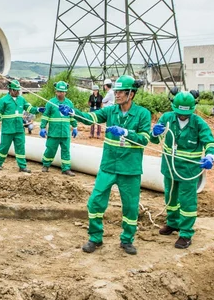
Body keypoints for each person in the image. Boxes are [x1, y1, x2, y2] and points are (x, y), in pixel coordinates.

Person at [59, 75, 151, 255]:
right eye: (115, 92)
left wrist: (126, 132)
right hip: (108, 166)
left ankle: (127, 240)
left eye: (120, 92)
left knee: (131, 207)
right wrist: (72, 112)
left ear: (131, 94)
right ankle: (95, 237)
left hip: (130, 169)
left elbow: (145, 139)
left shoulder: (142, 114)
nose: (116, 95)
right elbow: (90, 118)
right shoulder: (110, 111)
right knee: (95, 202)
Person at [150, 91, 214, 249]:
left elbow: (210, 142)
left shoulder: (198, 123)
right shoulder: (167, 118)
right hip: (169, 167)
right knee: (170, 198)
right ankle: (173, 223)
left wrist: (210, 156)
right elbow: (154, 139)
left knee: (187, 202)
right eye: (179, 113)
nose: (182, 116)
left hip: (189, 170)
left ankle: (186, 233)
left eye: (185, 113)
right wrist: (154, 133)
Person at [0, 80, 41, 173]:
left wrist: (38, 109)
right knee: (4, 147)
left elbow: (29, 108)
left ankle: (22, 166)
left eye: (18, 90)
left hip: (19, 129)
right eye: (15, 90)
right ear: (10, 90)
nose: (17, 92)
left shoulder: (21, 99)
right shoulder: (4, 100)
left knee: (20, 148)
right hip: (8, 129)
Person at [38, 81, 78, 176]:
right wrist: (42, 127)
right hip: (54, 132)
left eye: (63, 91)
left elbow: (72, 116)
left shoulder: (69, 103)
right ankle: (46, 165)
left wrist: (75, 126)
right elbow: (45, 116)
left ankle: (66, 169)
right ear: (56, 91)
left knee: (66, 151)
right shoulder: (51, 103)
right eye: (59, 91)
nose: (61, 93)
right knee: (50, 149)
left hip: (65, 132)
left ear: (66, 92)